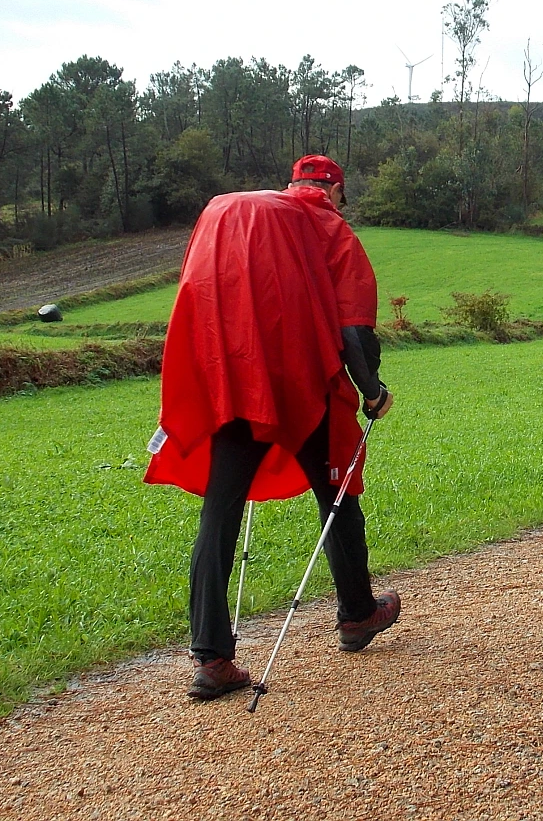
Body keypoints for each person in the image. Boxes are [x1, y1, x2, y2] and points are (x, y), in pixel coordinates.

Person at [145, 154, 400, 701]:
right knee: (337, 492)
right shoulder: (329, 228)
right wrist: (372, 391)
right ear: (334, 191)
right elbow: (353, 329)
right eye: (340, 198)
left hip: (234, 380)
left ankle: (211, 658)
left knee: (220, 508)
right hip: (300, 386)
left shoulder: (232, 213)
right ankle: (357, 614)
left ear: (294, 184)